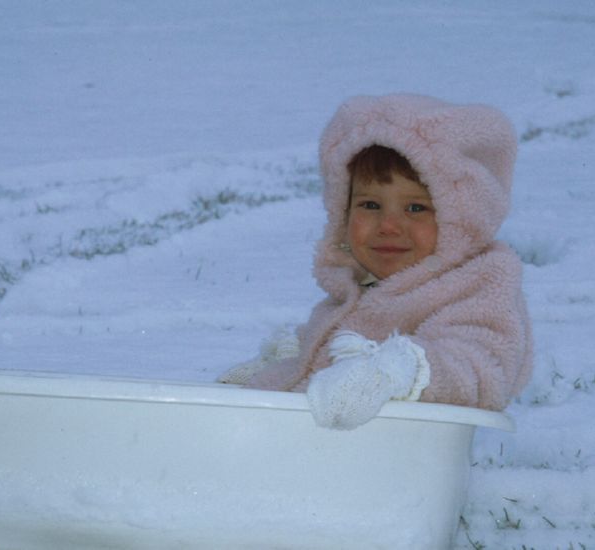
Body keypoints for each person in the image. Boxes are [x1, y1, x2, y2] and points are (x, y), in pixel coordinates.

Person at [218, 93, 533, 430]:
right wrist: (292, 364)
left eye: (415, 208)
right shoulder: (362, 287)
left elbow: (481, 367)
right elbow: (344, 352)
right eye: (370, 205)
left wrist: (399, 370)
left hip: (406, 460)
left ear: (462, 217)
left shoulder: (480, 284)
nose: (388, 226)